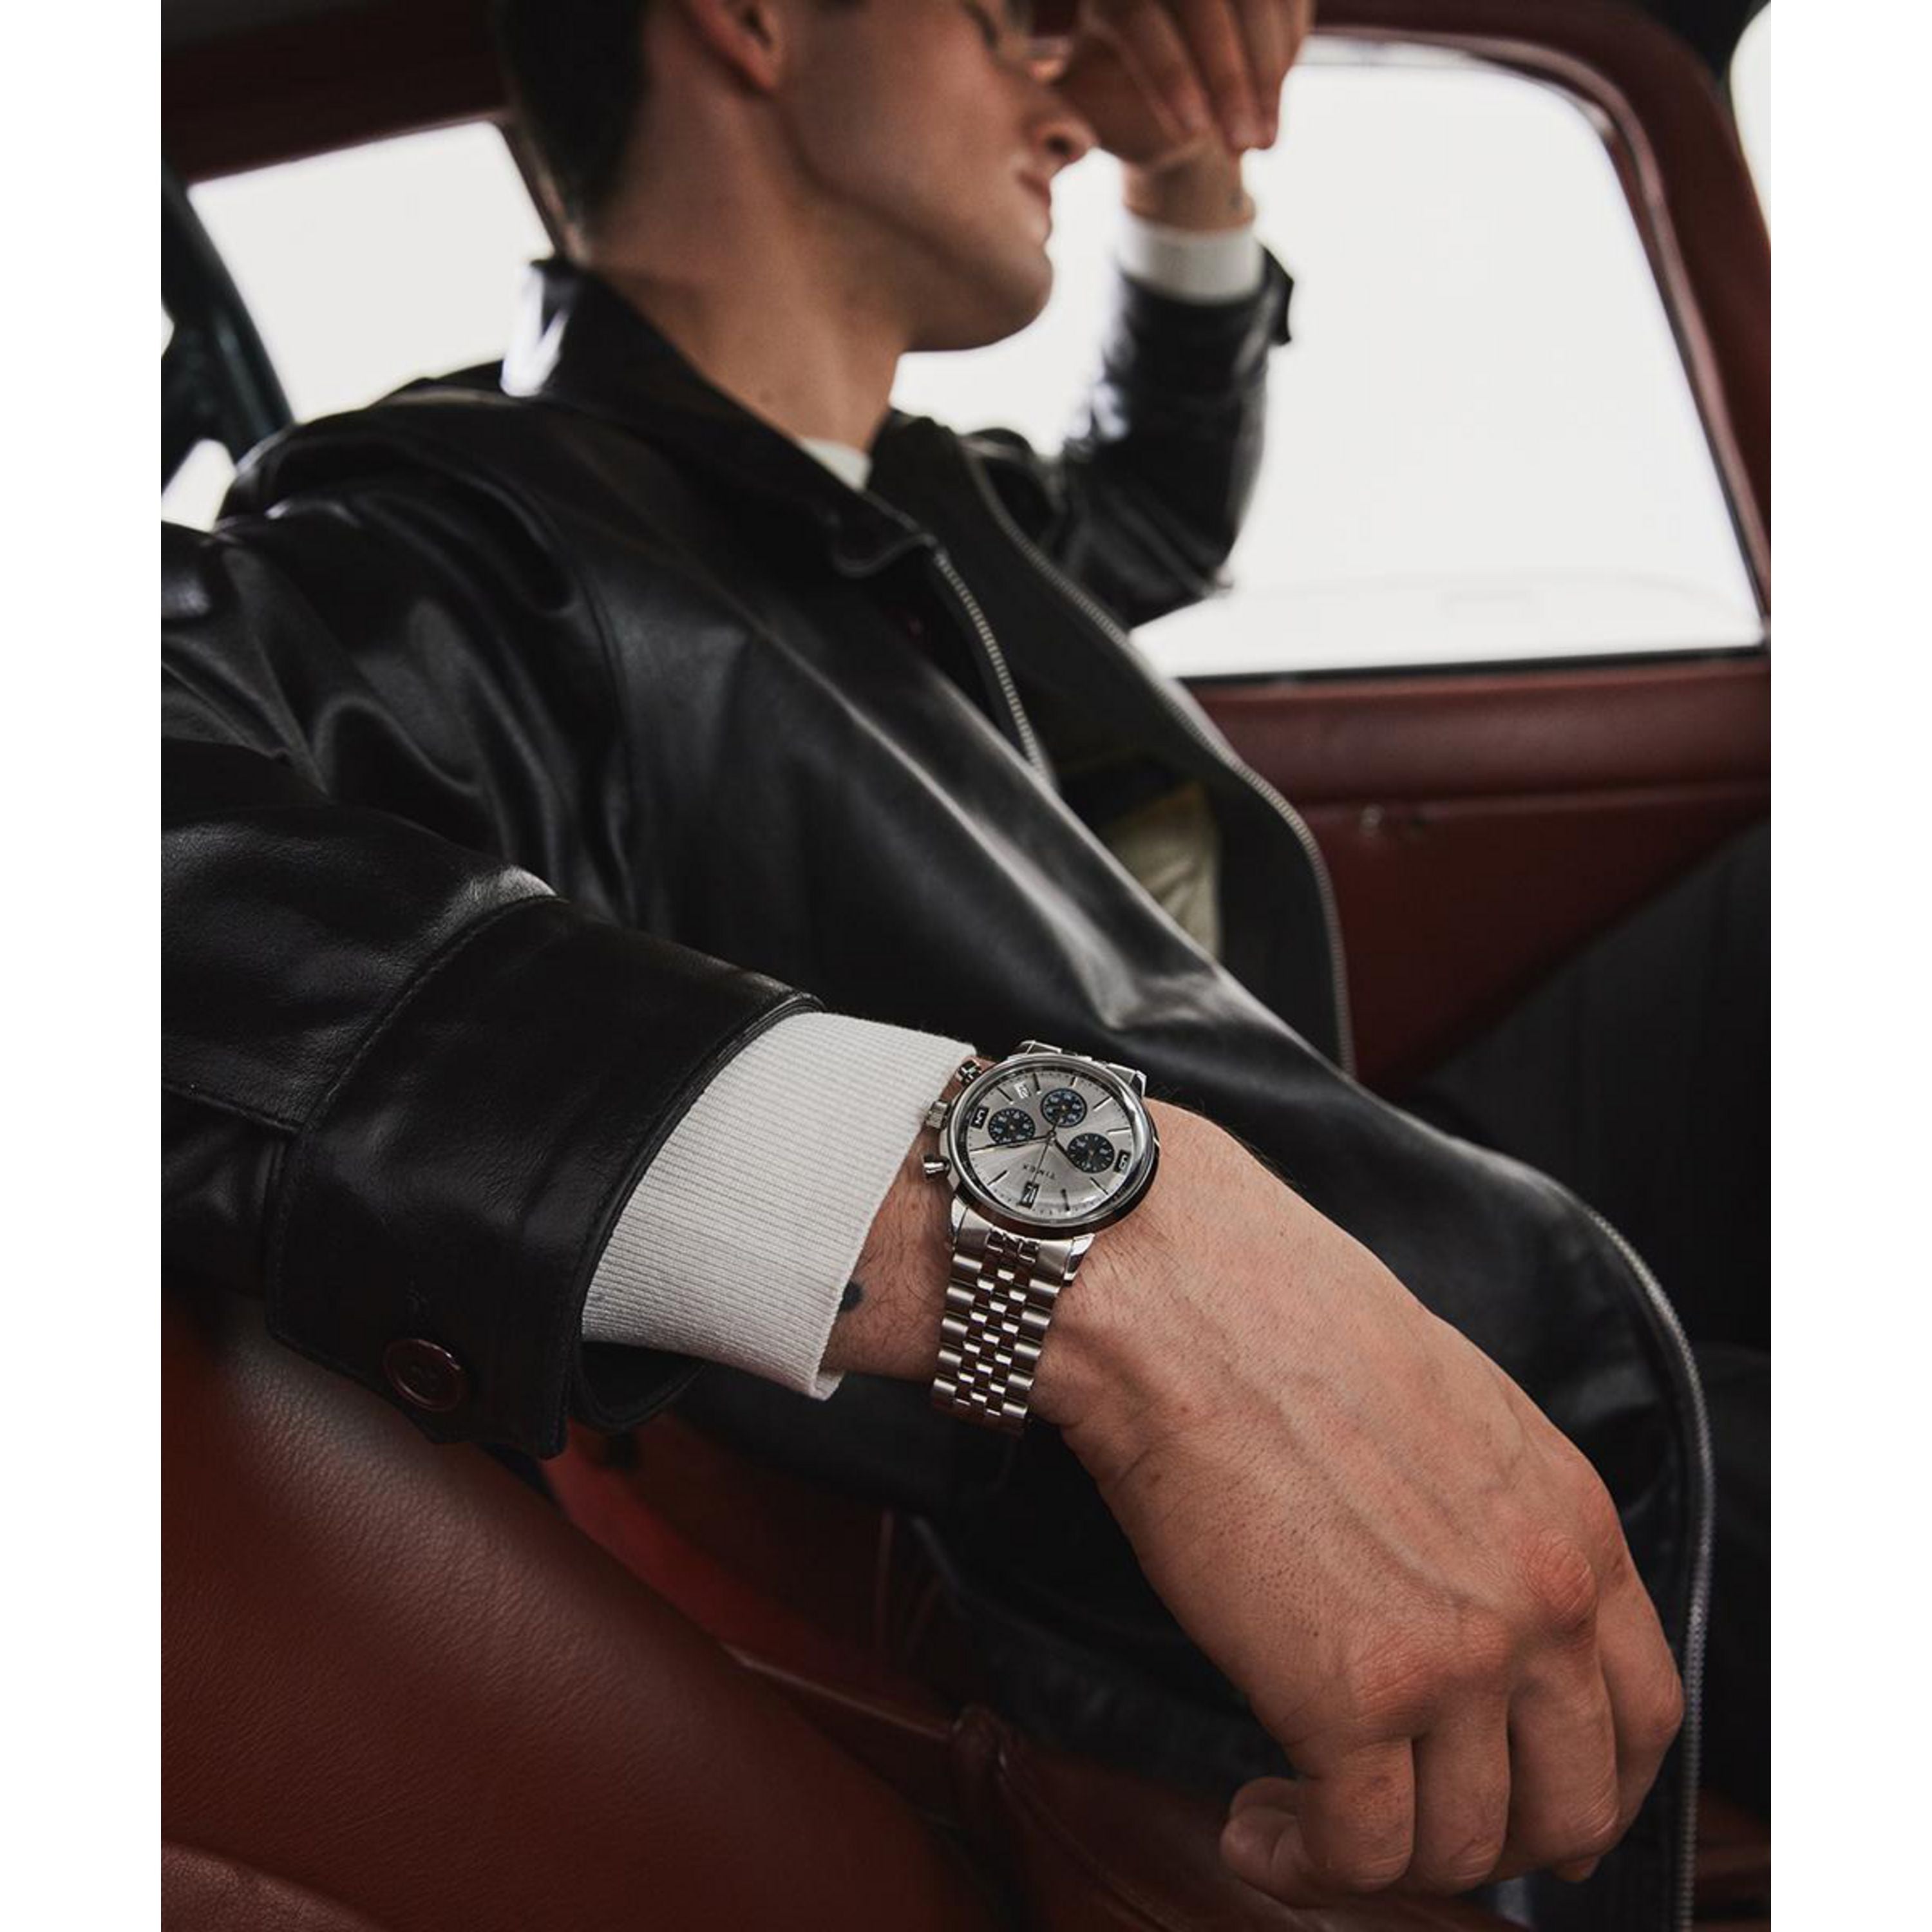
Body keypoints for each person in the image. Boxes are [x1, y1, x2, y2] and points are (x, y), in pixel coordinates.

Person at [162, 1, 1757, 1922]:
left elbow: (1161, 490)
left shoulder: (922, 500)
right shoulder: (459, 538)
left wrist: (1194, 178)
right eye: (1023, 15)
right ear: (753, 24)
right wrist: (1054, 1244)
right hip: (1262, 1537)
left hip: (1419, 1239)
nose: (1075, 86)